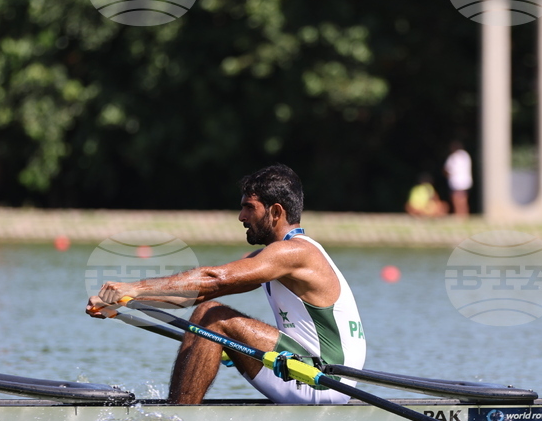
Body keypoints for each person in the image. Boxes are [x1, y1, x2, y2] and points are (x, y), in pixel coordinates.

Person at [86, 163, 366, 405]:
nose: (241, 217)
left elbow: (215, 278)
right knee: (207, 313)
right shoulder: (273, 257)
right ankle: (180, 410)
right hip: (299, 368)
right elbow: (199, 292)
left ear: (276, 212)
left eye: (249, 208)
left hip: (323, 379)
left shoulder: (297, 253)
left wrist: (134, 287)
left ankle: (178, 419)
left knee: (213, 317)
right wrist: (123, 302)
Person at [443, 141, 472, 217]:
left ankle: (460, 214)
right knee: (463, 199)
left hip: (457, 182)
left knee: (457, 200)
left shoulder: (454, 157)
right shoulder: (466, 156)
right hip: (465, 182)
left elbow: (447, 169)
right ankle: (464, 214)